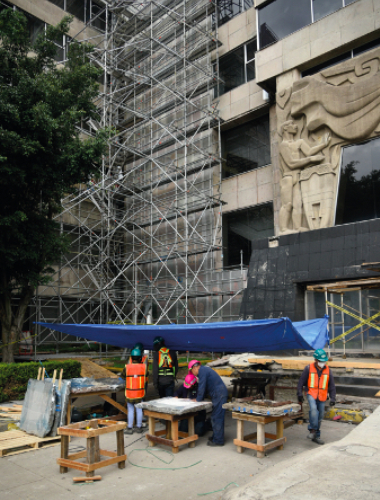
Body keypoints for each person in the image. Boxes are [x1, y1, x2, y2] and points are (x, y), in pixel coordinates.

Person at [297, 348, 336, 445]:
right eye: (321, 361)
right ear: (315, 360)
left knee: (320, 416)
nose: (323, 363)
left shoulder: (328, 370)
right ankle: (312, 431)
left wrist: (333, 398)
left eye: (324, 361)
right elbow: (301, 382)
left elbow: (331, 385)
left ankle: (316, 436)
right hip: (311, 393)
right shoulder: (308, 368)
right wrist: (299, 394)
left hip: (322, 396)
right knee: (313, 410)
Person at [189, 360, 228, 447]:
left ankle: (218, 440)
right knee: (215, 416)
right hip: (219, 394)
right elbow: (205, 387)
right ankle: (216, 437)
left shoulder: (202, 371)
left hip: (219, 395)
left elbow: (202, 386)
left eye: (191, 371)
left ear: (194, 368)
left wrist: (198, 399)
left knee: (217, 417)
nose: (193, 373)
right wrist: (199, 398)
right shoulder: (205, 370)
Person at [124, 347, 148, 434]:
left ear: (131, 357)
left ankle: (129, 427)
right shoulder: (143, 367)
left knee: (130, 410)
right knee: (139, 410)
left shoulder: (127, 367)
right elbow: (147, 374)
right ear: (140, 358)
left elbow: (123, 376)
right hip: (139, 393)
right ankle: (139, 427)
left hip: (129, 393)